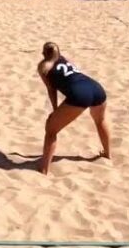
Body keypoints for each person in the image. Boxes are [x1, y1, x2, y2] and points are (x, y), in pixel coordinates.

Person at [36, 42, 112, 176]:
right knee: (100, 120)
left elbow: (51, 90)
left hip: (79, 94)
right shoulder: (63, 59)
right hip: (96, 88)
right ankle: (107, 154)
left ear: (43, 54)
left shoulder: (43, 66)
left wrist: (55, 110)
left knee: (51, 129)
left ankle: (44, 169)